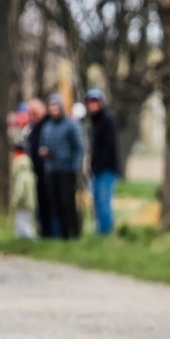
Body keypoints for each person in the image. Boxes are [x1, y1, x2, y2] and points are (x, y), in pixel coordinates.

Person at [37, 94, 83, 239]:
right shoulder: (47, 127)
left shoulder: (70, 125)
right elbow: (42, 145)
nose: (54, 109)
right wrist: (44, 153)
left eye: (56, 106)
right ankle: (62, 234)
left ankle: (73, 232)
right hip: (51, 170)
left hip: (67, 170)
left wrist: (75, 167)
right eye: (51, 106)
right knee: (55, 204)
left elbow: (78, 148)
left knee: (67, 202)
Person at [84, 88, 121, 236]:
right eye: (90, 102)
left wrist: (98, 164)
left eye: (95, 102)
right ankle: (100, 230)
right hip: (97, 168)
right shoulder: (95, 122)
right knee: (97, 202)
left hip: (106, 168)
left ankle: (106, 232)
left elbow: (109, 147)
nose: (92, 105)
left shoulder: (107, 120)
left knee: (104, 201)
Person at [23, 98, 55, 238]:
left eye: (35, 112)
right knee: (40, 203)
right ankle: (43, 231)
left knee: (49, 203)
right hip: (35, 170)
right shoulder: (31, 128)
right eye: (31, 112)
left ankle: (51, 231)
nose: (33, 115)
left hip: (47, 170)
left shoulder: (48, 124)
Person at [11, 146, 38, 240]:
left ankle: (29, 236)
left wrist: (16, 200)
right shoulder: (30, 175)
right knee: (26, 220)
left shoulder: (21, 177)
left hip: (22, 203)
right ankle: (21, 236)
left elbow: (20, 191)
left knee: (23, 221)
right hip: (29, 203)